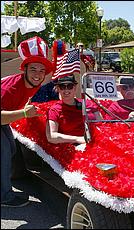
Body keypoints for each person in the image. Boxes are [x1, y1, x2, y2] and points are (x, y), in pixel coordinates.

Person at [1, 36, 54, 207]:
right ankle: (4, 197)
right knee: (3, 151)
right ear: (25, 70)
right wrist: (24, 113)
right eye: (33, 69)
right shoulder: (9, 89)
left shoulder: (35, 82)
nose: (38, 74)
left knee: (11, 147)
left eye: (41, 70)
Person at [46, 75, 101, 145]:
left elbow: (101, 125)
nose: (66, 90)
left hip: (95, 143)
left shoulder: (88, 104)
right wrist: (77, 139)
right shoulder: (55, 109)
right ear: (58, 89)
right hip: (72, 147)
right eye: (62, 87)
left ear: (74, 88)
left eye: (70, 86)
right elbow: (51, 136)